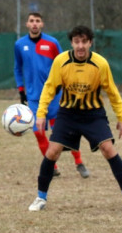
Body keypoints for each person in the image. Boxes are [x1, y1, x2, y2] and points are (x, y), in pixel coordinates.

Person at [28, 25, 122, 212]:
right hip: (68, 114)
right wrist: (41, 113)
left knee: (108, 149)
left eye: (84, 42)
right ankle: (40, 198)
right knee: (52, 152)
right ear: (71, 43)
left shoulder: (100, 64)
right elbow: (49, 87)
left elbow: (112, 92)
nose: (80, 46)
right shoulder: (61, 62)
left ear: (90, 43)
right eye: (77, 42)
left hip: (93, 114)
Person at [14, 12, 89, 178]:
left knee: (65, 132)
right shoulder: (20, 45)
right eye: (31, 21)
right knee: (38, 133)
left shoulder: (52, 43)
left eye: (37, 21)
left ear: (42, 24)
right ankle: (53, 166)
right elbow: (17, 68)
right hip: (34, 99)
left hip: (55, 96)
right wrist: (21, 90)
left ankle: (79, 162)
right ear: (27, 24)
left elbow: (64, 64)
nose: (34, 24)